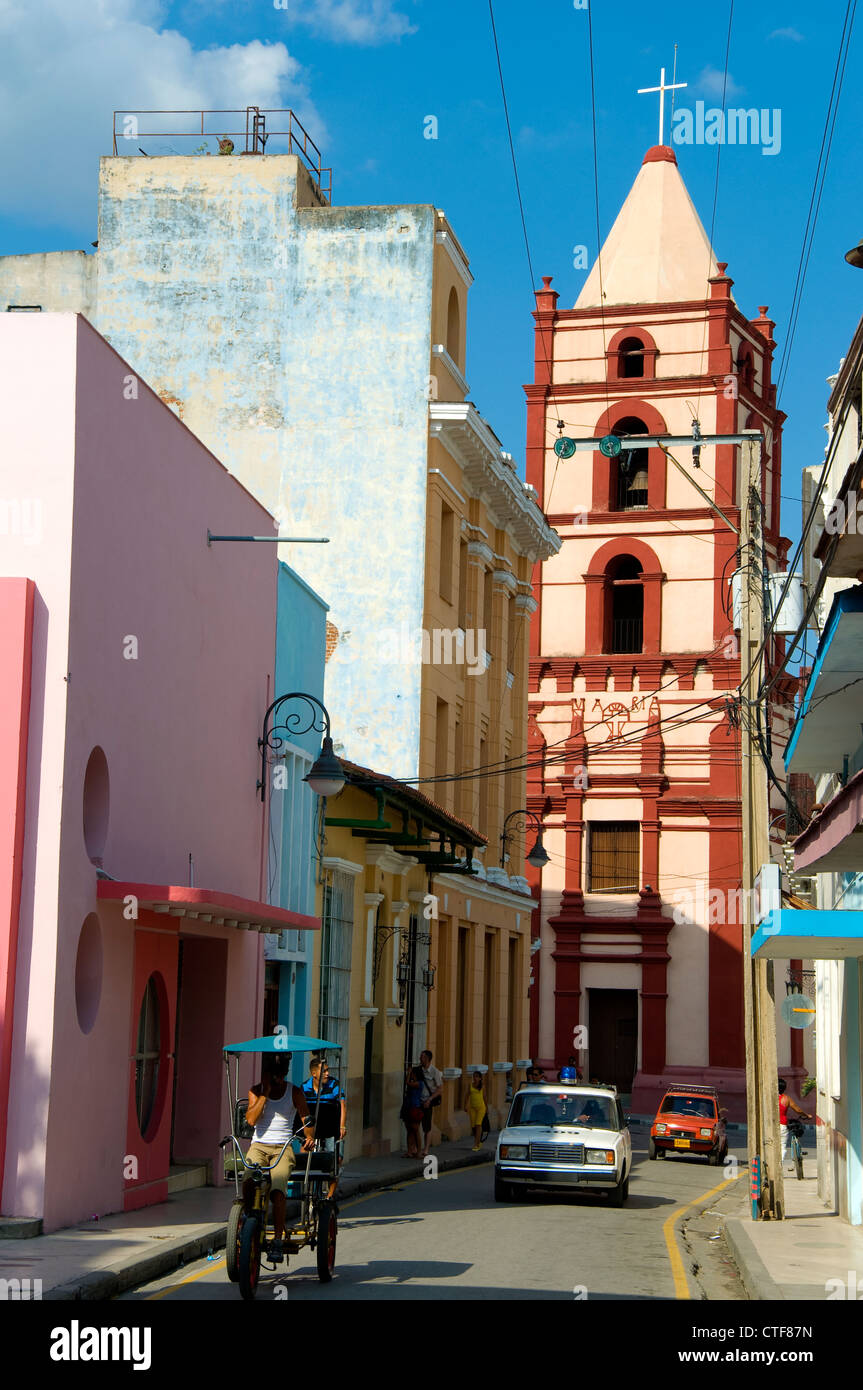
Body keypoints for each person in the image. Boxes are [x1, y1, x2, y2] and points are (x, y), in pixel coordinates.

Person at [244, 1053, 314, 1260]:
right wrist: (264, 1095)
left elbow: (306, 1119)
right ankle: (249, 1217)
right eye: (271, 1076)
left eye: (278, 1076)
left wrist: (309, 1137)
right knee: (248, 1177)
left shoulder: (294, 1092)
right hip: (259, 1146)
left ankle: (277, 1239)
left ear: (283, 1075)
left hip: (282, 1147)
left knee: (278, 1186)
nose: (276, 1080)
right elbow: (251, 1120)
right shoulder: (255, 1091)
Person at [301, 1057, 346, 1199]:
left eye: (328, 1071)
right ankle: (304, 1184)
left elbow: (342, 1106)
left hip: (330, 1128)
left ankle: (329, 1198)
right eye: (324, 1071)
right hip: (312, 1129)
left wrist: (342, 1126)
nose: (327, 1073)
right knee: (303, 1152)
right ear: (314, 1073)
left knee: (336, 1160)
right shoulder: (304, 1087)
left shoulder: (334, 1085)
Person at [778, 1078, 811, 1169]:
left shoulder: (770, 1098)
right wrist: (806, 1115)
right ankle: (779, 1166)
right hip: (782, 1125)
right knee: (782, 1146)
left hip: (770, 1125)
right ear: (784, 1088)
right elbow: (798, 1110)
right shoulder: (786, 1099)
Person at [418, 1049, 444, 1158]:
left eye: (422, 1057)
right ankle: (416, 1148)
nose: (420, 1059)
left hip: (427, 1102)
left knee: (427, 1127)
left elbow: (440, 1089)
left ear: (427, 1059)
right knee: (415, 1125)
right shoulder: (418, 1070)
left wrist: (429, 1100)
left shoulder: (434, 1072)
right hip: (418, 1101)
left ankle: (426, 1149)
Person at [401, 1066, 424, 1158]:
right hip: (408, 1106)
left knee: (415, 1129)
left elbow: (407, 1083)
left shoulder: (419, 1083)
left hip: (415, 1107)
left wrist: (408, 1073)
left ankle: (419, 1151)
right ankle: (409, 1151)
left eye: (413, 1074)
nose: (412, 1076)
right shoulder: (414, 1082)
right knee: (409, 1130)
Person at [464, 1070, 489, 1150]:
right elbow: (467, 1095)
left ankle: (476, 1144)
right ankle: (478, 1140)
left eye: (477, 1077)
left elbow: (485, 1098)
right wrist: (465, 1105)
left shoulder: (482, 1087)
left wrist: (486, 1108)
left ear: (480, 1078)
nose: (475, 1078)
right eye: (474, 1076)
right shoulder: (470, 1085)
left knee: (478, 1125)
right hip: (472, 1108)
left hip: (481, 1108)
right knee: (473, 1127)